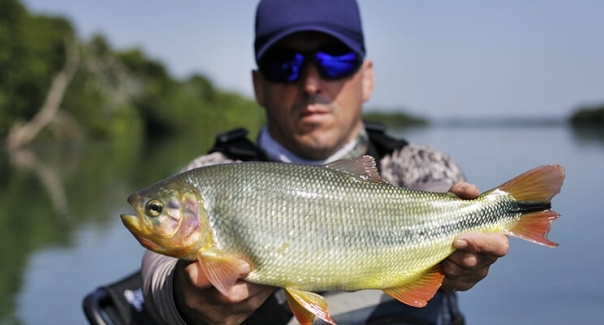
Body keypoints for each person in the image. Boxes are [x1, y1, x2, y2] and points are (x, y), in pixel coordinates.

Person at [141, 0, 509, 324]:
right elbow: (158, 272)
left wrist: (464, 257)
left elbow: (441, 194)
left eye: (334, 60)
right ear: (258, 85)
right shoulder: (211, 172)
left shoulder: (417, 165)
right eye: (285, 64)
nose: (311, 83)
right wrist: (183, 301)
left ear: (366, 79)